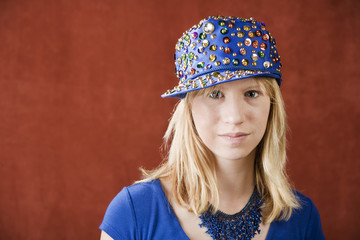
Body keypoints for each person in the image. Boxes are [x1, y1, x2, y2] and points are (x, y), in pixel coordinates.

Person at [99, 16, 325, 240]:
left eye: (251, 93)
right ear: (189, 109)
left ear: (273, 106)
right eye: (215, 94)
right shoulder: (134, 213)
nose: (234, 116)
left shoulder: (301, 218)